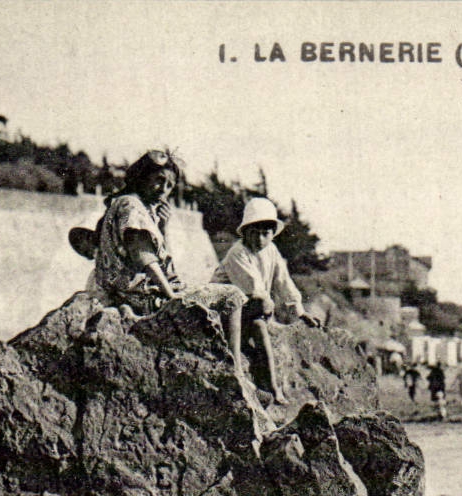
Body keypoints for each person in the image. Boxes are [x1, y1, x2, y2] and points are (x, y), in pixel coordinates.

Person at [212, 196, 321, 403]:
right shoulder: (238, 253)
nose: (261, 239)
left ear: (272, 234)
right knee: (261, 314)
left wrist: (299, 311)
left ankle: (273, 387)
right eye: (255, 233)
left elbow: (283, 281)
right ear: (245, 232)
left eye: (266, 233)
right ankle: (271, 385)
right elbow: (254, 288)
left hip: (248, 310)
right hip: (225, 311)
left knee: (259, 325)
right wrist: (267, 305)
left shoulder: (271, 251)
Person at [87, 149, 186, 315]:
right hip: (132, 294)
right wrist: (171, 296)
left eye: (169, 186)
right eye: (159, 180)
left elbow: (162, 260)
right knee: (230, 297)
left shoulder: (139, 208)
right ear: (143, 177)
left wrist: (163, 228)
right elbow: (145, 258)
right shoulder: (131, 205)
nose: (163, 189)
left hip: (128, 291)